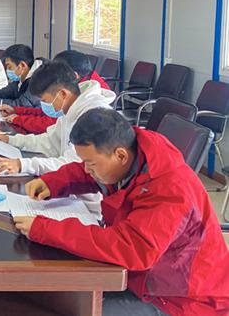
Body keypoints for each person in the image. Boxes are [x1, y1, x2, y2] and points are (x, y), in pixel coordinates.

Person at [14, 108, 229, 316]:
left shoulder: (170, 190)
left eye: (90, 163)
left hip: (181, 300)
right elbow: (91, 172)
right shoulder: (131, 153)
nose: (87, 169)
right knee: (56, 293)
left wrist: (45, 229)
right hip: (142, 277)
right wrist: (53, 182)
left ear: (120, 155)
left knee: (75, 308)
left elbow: (131, 248)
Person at [0, 61, 115, 215]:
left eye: (45, 101)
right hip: (68, 194)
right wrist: (12, 140)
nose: (44, 106)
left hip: (88, 207)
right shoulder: (71, 107)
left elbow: (72, 166)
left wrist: (23, 164)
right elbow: (49, 141)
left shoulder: (94, 118)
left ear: (63, 94)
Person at [0, 49, 112, 134]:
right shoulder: (76, 91)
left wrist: (18, 119)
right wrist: (17, 111)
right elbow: (50, 120)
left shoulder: (90, 110)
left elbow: (50, 123)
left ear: (73, 75)